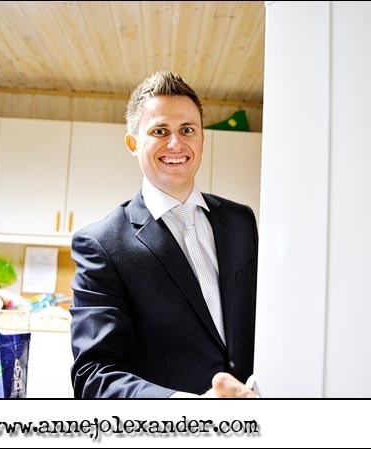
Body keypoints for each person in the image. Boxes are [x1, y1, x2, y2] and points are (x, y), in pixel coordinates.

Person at [69, 71, 258, 398]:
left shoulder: (241, 222)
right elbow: (94, 375)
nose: (176, 144)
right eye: (160, 131)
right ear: (133, 144)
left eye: (187, 130)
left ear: (202, 139)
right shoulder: (102, 244)